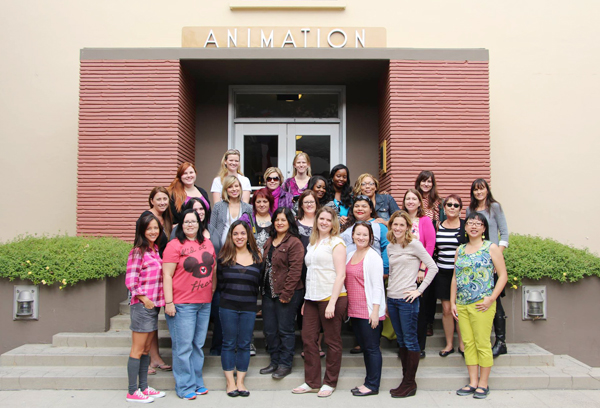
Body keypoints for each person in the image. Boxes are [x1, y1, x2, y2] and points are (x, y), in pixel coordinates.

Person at [452, 212, 508, 399]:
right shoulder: (460, 249)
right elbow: (455, 277)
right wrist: (453, 302)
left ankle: (483, 384)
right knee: (468, 344)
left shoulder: (490, 248)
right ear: (465, 227)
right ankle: (472, 382)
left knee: (482, 343)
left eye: (478, 223)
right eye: (470, 223)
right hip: (462, 303)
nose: (473, 226)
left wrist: (491, 298)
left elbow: (503, 276)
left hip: (482, 304)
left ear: (484, 228)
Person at [292, 207, 347, 398]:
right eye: (321, 219)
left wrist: (332, 303)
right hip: (312, 299)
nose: (324, 222)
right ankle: (312, 381)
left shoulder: (337, 243)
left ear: (333, 223)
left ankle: (329, 382)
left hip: (331, 298)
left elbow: (340, 275)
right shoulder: (312, 243)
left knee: (332, 341)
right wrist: (307, 300)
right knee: (308, 339)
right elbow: (311, 274)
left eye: (327, 219)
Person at [162, 209, 216, 400]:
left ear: (199, 224)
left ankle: (196, 381)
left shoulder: (207, 243)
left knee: (197, 345)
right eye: (186, 222)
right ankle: (184, 386)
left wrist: (211, 292)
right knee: (183, 346)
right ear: (180, 225)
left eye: (193, 221)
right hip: (182, 303)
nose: (190, 225)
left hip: (203, 303)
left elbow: (213, 269)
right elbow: (167, 275)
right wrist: (169, 302)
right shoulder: (174, 245)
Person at [386, 210, 438, 398]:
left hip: (408, 301)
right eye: (395, 224)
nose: (398, 227)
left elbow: (433, 267)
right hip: (392, 299)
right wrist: (387, 298)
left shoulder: (414, 244)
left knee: (410, 340)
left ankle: (410, 383)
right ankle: (405, 381)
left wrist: (419, 290)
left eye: (402, 224)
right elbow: (392, 274)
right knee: (401, 341)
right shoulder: (391, 247)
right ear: (391, 225)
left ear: (408, 227)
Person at [217, 220, 263, 398]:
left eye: (243, 233)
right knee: (228, 343)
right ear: (231, 236)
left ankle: (240, 381)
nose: (239, 237)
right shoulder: (223, 258)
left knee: (244, 343)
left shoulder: (257, 258)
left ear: (248, 235)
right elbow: (220, 284)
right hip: (228, 306)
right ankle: (230, 382)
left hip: (249, 307)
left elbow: (258, 285)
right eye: (235, 233)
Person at [125, 213, 167, 403]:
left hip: (153, 306)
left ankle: (144, 387)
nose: (153, 231)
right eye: (149, 228)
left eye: (156, 228)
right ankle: (132, 391)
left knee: (146, 350)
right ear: (142, 230)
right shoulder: (137, 251)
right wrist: (144, 299)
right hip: (142, 306)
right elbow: (131, 282)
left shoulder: (155, 250)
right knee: (137, 349)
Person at [208, 176, 252, 356]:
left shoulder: (248, 207)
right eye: (231, 186)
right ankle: (218, 345)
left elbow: (251, 230)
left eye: (237, 186)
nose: (234, 189)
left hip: (241, 254)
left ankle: (240, 344)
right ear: (226, 189)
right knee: (221, 299)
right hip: (222, 254)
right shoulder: (219, 207)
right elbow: (214, 230)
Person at [466, 178, 510, 357]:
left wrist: (495, 257)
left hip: (491, 258)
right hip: (476, 261)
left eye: (481, 189)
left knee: (495, 299)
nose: (479, 192)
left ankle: (501, 341)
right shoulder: (470, 209)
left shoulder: (495, 207)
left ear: (487, 190)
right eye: (475, 190)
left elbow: (504, 233)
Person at [260, 208, 305, 379]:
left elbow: (295, 271)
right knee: (270, 330)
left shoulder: (294, 243)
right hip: (268, 292)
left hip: (288, 293)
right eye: (277, 220)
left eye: (283, 220)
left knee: (285, 330)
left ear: (289, 222)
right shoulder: (270, 240)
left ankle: (285, 364)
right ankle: (274, 361)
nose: (279, 223)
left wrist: (286, 294)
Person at [345, 222, 386, 396]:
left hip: (369, 310)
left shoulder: (373, 256)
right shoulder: (350, 254)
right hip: (354, 310)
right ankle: (368, 381)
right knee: (365, 347)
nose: (361, 238)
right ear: (353, 235)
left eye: (365, 235)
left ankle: (372, 385)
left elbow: (378, 286)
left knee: (371, 348)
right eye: (358, 234)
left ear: (370, 238)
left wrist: (376, 311)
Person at [135, 187, 172, 375]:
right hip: (146, 279)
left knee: (153, 322)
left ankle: (155, 358)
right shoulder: (146, 217)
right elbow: (140, 245)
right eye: (158, 199)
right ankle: (146, 360)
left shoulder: (166, 218)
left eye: (165, 198)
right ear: (151, 200)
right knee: (147, 323)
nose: (162, 202)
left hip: (158, 274)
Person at [402, 189, 436, 357]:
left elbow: (430, 245)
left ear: (419, 202)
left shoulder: (424, 221)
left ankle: (419, 346)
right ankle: (405, 346)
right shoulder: (401, 220)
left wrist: (422, 268)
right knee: (405, 311)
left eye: (413, 198)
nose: (410, 201)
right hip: (403, 272)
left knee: (419, 312)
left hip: (420, 273)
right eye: (407, 198)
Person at [434, 195, 467, 357]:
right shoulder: (438, 226)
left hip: (461, 274)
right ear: (444, 208)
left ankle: (462, 344)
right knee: (446, 309)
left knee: (459, 310)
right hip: (443, 273)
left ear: (460, 209)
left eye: (456, 205)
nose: (452, 207)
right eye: (449, 204)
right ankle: (448, 344)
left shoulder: (465, 226)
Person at [296, 190, 326, 358]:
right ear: (301, 204)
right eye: (305, 202)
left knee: (318, 305)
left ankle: (318, 344)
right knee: (303, 309)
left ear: (316, 204)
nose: (309, 205)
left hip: (319, 270)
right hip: (300, 271)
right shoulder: (295, 223)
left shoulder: (321, 221)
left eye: (312, 202)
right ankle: (306, 344)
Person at [341, 195, 389, 275]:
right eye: (356, 206)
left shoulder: (379, 225)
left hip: (372, 273)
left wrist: (385, 270)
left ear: (371, 210)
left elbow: (386, 247)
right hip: (347, 273)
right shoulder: (346, 226)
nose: (360, 209)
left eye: (364, 206)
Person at [240, 187, 274, 253]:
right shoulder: (246, 218)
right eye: (258, 202)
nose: (261, 205)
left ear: (270, 203)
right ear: (254, 204)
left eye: (265, 201)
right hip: (252, 258)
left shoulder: (276, 218)